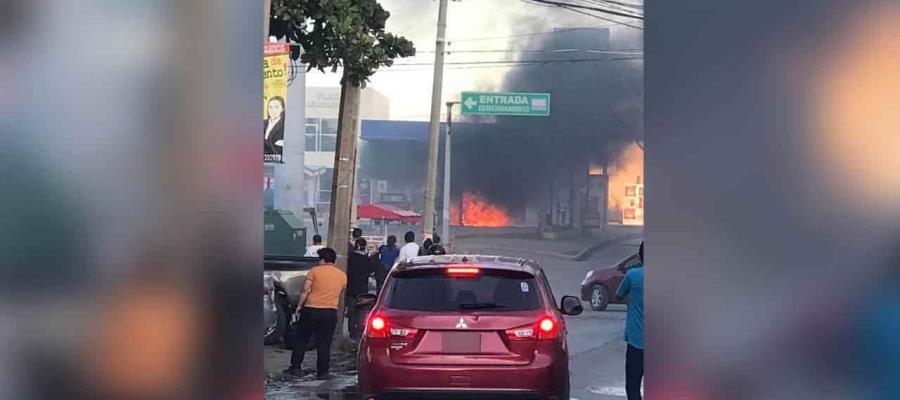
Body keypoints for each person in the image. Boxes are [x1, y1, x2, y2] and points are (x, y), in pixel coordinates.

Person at [284, 248, 346, 379]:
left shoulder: (314, 271)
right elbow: (340, 293)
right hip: (330, 312)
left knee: (302, 339)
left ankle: (295, 368)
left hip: (311, 309)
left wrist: (299, 306)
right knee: (324, 343)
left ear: (322, 259)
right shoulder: (342, 275)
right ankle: (323, 372)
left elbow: (305, 291)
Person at [616, 241, 644, 400]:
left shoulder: (633, 275)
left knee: (633, 386)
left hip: (636, 342)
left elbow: (619, 295)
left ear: (640, 256)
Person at [346, 238, 375, 339]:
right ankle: (359, 332)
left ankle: (352, 332)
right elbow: (371, 272)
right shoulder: (366, 259)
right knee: (361, 312)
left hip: (351, 288)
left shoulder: (350, 257)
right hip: (362, 290)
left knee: (351, 312)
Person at [263, 96, 285, 160]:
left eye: (276, 107)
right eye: (270, 107)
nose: (273, 110)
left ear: (282, 109)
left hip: (277, 161)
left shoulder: (285, 125)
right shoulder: (263, 123)